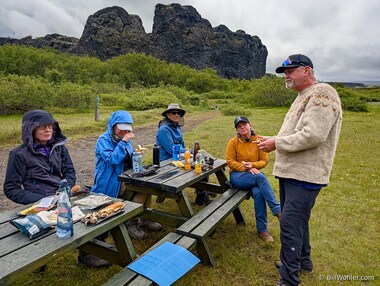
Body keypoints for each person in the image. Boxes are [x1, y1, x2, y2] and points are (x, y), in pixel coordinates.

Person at [258, 54, 342, 286]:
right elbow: (296, 132)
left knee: (290, 224)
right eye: (284, 72)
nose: (286, 75)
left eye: (290, 70)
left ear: (307, 70)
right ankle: (302, 261)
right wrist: (275, 138)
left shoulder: (322, 93)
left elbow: (314, 134)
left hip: (305, 173)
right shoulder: (302, 96)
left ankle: (289, 278)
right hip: (292, 171)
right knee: (298, 221)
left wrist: (277, 144)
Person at [91, 110, 161, 241]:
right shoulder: (103, 140)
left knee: (149, 184)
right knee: (143, 189)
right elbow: (112, 160)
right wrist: (123, 142)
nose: (124, 132)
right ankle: (131, 222)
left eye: (126, 129)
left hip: (126, 177)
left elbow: (127, 159)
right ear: (113, 126)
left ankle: (144, 217)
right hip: (111, 181)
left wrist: (136, 155)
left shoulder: (124, 139)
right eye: (121, 129)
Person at [225, 116, 281, 243]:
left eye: (244, 124)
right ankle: (278, 212)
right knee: (260, 177)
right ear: (237, 130)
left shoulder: (258, 140)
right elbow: (230, 162)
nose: (242, 127)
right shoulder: (233, 142)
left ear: (250, 125)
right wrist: (245, 168)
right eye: (239, 126)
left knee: (259, 192)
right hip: (237, 175)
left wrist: (253, 165)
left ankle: (262, 230)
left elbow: (264, 160)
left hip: (253, 176)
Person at [4, 109, 76, 204]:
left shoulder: (59, 148)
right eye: (42, 127)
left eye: (50, 126)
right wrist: (43, 201)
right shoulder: (19, 154)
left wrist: (65, 189)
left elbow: (69, 171)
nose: (48, 130)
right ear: (31, 129)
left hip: (62, 197)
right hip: (38, 202)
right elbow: (11, 188)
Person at [155, 103, 213, 206]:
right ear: (168, 115)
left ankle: (201, 194)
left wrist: (190, 153)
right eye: (174, 113)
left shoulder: (177, 127)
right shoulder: (164, 129)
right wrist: (189, 152)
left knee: (201, 164)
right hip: (167, 162)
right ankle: (202, 193)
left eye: (179, 113)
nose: (177, 115)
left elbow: (182, 146)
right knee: (196, 166)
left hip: (179, 159)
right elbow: (171, 149)